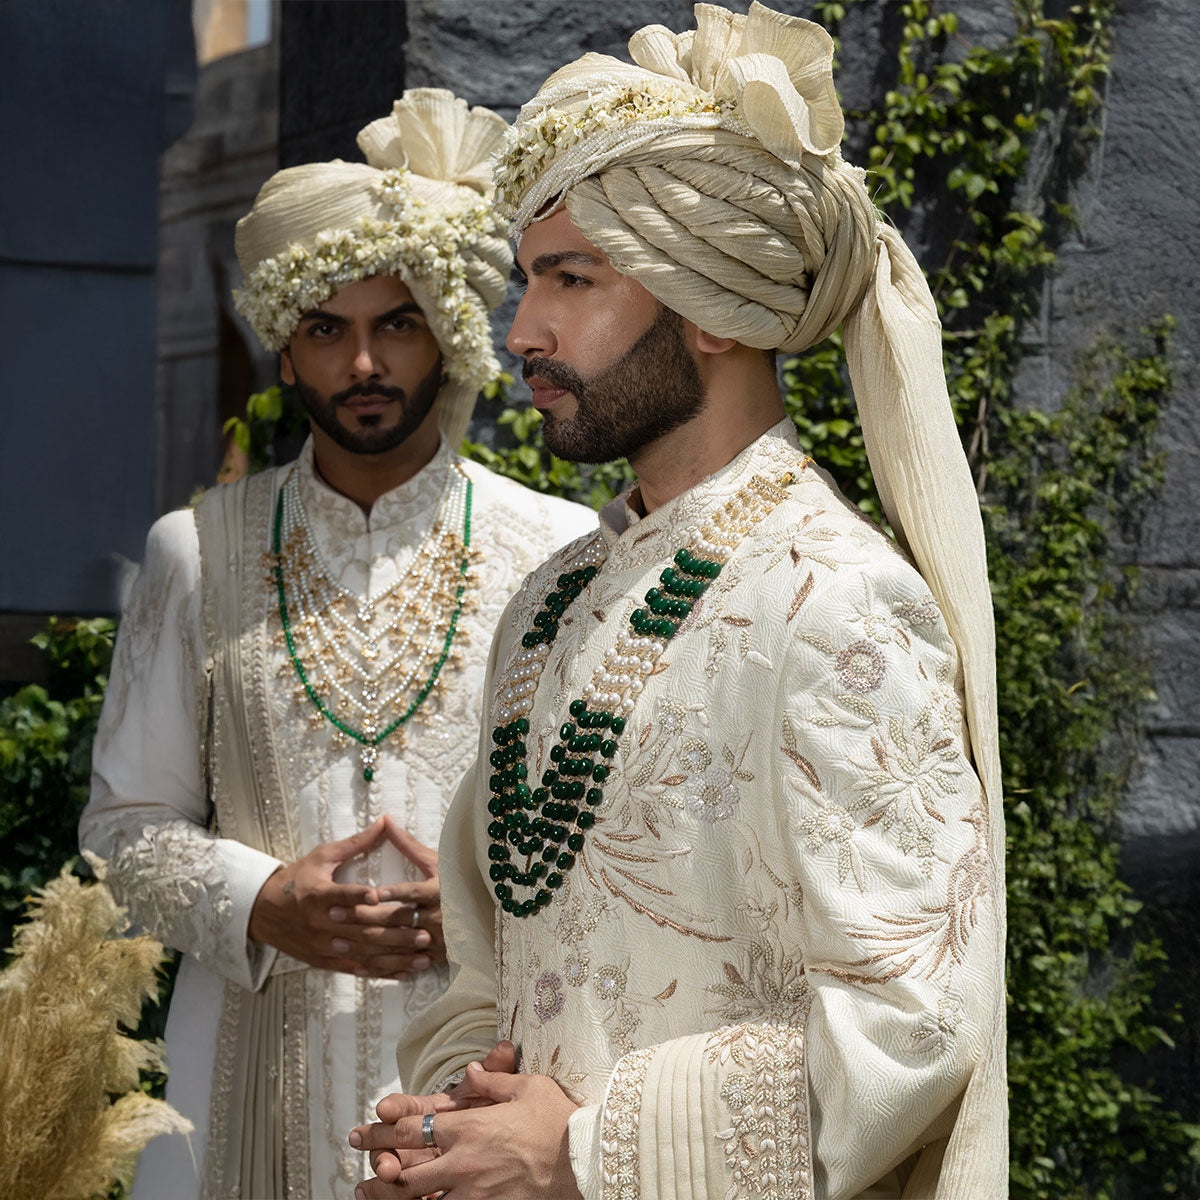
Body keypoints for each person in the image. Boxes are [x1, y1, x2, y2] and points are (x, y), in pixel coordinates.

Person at [351, 8, 1006, 1200]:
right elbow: (493, 958)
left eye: (572, 278)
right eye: (528, 279)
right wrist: (456, 1122)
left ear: (713, 307)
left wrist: (583, 1153)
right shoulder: (549, 604)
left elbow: (913, 1025)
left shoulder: (838, 602)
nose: (522, 330)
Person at [79, 87, 596, 1199]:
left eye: (396, 323)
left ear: (446, 333)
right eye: (326, 329)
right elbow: (122, 830)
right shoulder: (195, 553)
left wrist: (485, 903)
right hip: (240, 1072)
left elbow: (611, 836)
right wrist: (261, 899)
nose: (363, 363)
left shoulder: (556, 550)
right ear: (284, 350)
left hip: (486, 1074)